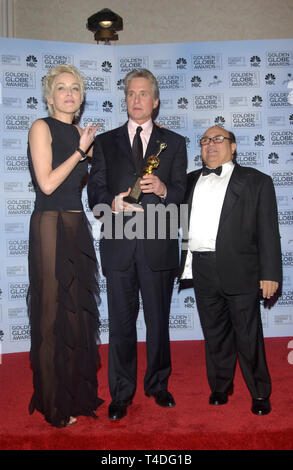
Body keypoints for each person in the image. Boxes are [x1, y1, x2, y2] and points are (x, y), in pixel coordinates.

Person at [88, 68, 187, 421]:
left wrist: (163, 190)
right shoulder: (104, 142)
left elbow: (180, 193)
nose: (136, 99)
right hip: (118, 244)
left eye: (143, 94)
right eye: (131, 93)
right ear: (125, 99)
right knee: (120, 324)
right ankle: (121, 392)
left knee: (159, 321)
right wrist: (111, 203)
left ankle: (158, 385)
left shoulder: (174, 142)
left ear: (155, 101)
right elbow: (94, 194)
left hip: (158, 243)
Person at [179, 125, 282, 415]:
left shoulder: (256, 181)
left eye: (218, 139)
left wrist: (271, 273)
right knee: (214, 334)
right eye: (205, 140)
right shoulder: (187, 181)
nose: (210, 144)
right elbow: (163, 199)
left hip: (242, 268)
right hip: (201, 266)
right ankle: (221, 386)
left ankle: (260, 392)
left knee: (248, 335)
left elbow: (268, 232)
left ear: (233, 146)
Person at [27, 64, 103, 428]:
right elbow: (46, 184)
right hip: (50, 225)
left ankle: (75, 394)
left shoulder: (79, 132)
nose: (69, 93)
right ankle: (54, 402)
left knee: (77, 318)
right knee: (51, 316)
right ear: (49, 95)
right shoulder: (42, 128)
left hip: (76, 226)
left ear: (82, 96)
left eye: (75, 87)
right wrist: (80, 152)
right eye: (61, 87)